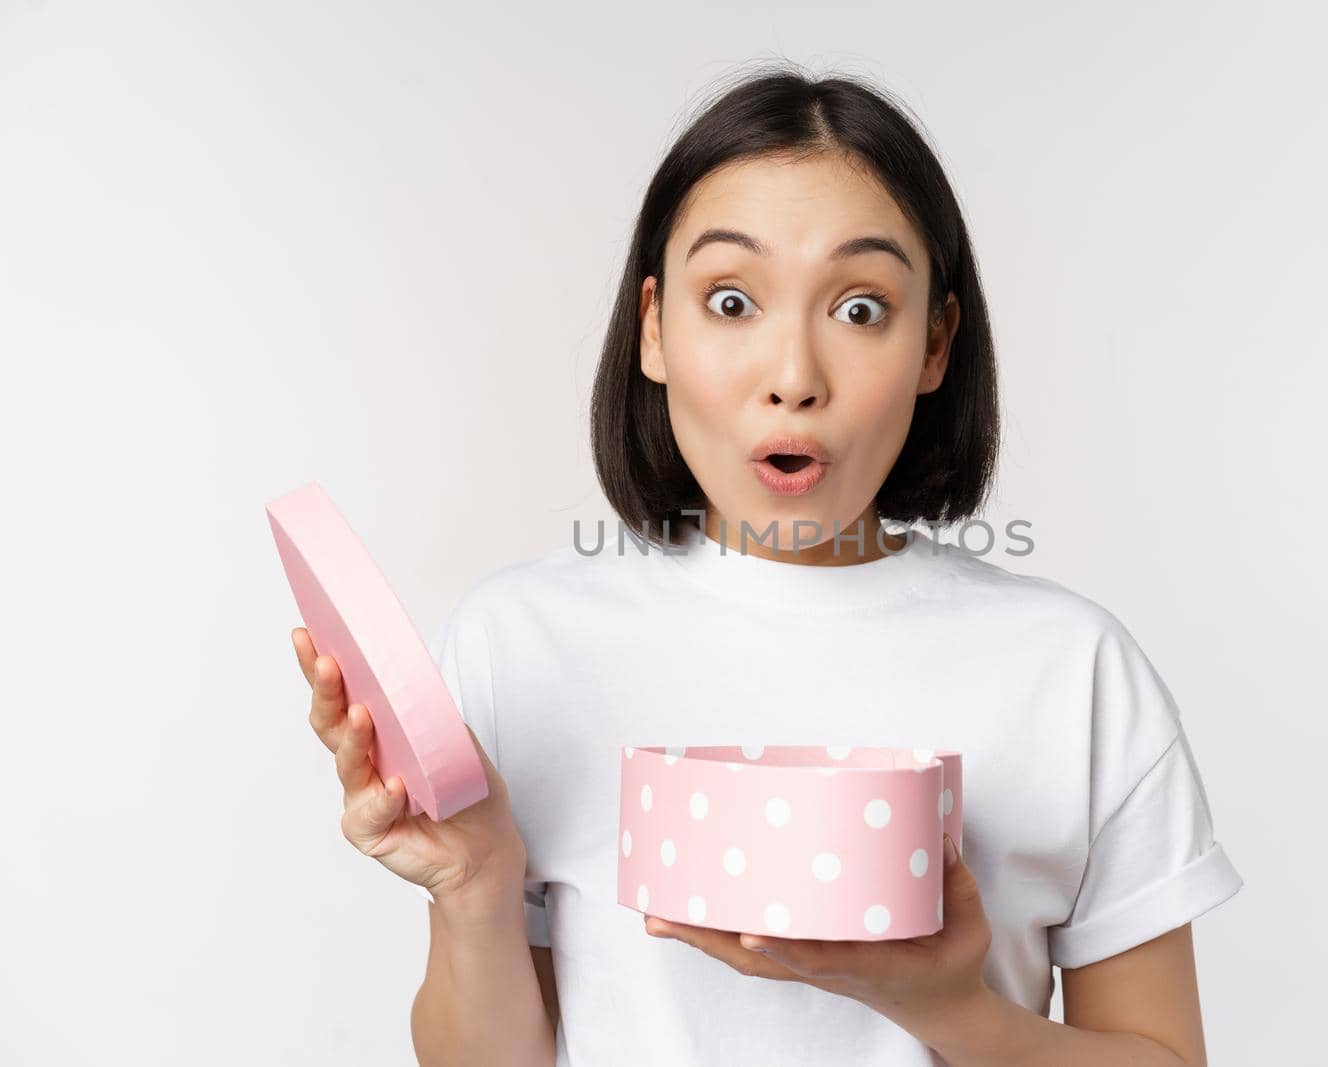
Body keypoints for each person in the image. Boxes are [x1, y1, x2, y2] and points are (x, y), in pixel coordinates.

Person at [295, 64, 1243, 1067]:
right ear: (655, 327)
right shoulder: (518, 643)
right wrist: (477, 881)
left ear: (936, 343)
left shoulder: (1072, 669)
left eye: (862, 309)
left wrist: (943, 1004)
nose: (793, 377)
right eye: (733, 299)